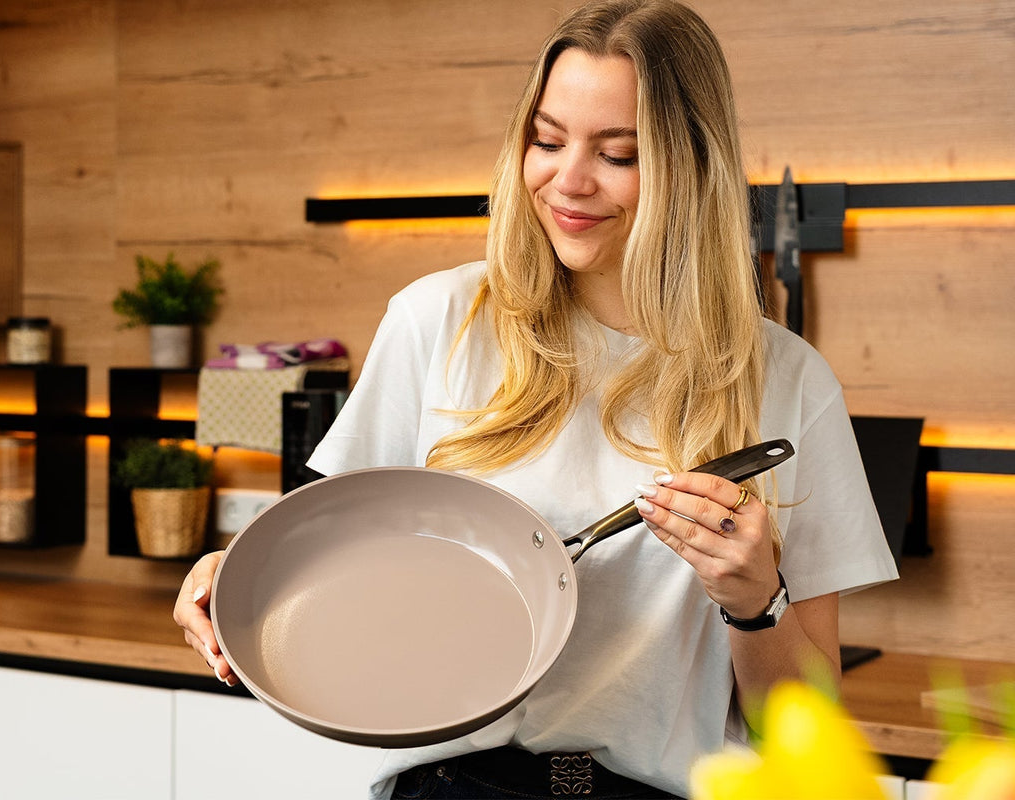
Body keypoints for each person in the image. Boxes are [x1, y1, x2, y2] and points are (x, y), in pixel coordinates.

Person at [173, 0, 898, 797]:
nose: (568, 180)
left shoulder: (786, 381)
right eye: (547, 140)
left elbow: (805, 730)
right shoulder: (439, 320)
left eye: (617, 154)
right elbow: (320, 562)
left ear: (691, 165)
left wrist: (754, 598)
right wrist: (226, 575)